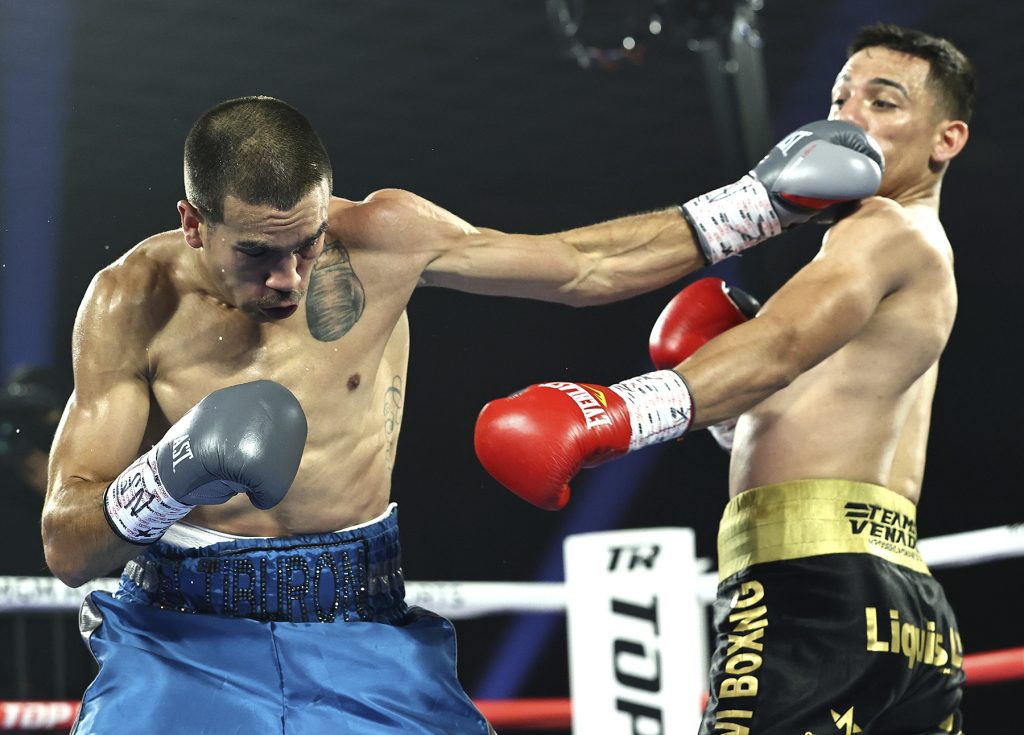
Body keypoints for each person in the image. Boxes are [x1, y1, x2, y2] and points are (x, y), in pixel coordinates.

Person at [41, 93, 880, 734]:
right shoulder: (130, 301)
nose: (290, 279)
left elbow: (580, 268)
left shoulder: (385, 238)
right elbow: (68, 546)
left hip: (359, 623)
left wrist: (759, 204)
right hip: (180, 634)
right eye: (258, 253)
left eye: (307, 243)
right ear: (193, 224)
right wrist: (167, 475)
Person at [475, 23, 973, 734]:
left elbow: (779, 346)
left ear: (945, 139)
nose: (849, 116)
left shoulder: (886, 228)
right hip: (904, 606)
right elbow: (816, 414)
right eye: (840, 96)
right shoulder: (912, 252)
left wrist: (613, 411)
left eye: (883, 102)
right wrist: (728, 420)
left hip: (811, 588)